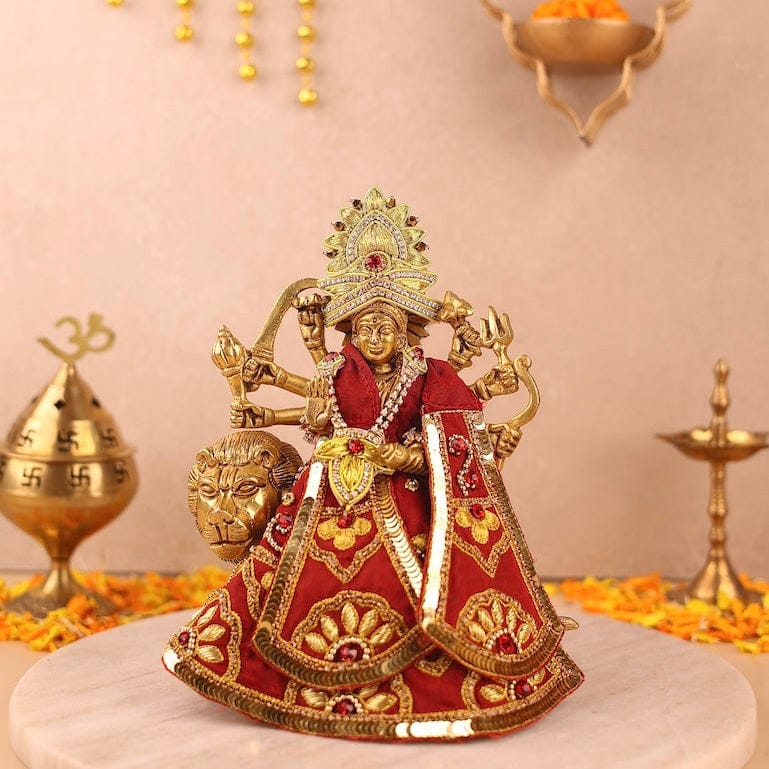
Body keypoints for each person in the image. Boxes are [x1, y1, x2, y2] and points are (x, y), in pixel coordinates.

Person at [163, 188, 583, 741]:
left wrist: (399, 456)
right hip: (330, 489)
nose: (374, 337)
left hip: (408, 495)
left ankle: (431, 678)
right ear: (350, 332)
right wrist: (285, 413)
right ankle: (273, 672)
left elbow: (455, 442)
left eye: (385, 326)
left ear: (405, 328)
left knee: (414, 576)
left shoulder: (432, 377)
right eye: (363, 328)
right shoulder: (335, 373)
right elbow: (317, 421)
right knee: (285, 574)